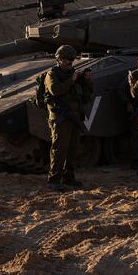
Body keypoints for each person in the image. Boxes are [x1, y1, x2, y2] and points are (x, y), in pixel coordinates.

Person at [45, 45, 93, 190]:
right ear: (59, 59)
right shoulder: (52, 74)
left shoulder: (73, 74)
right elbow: (55, 90)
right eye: (66, 59)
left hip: (74, 117)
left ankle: (68, 177)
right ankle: (54, 180)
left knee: (73, 149)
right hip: (61, 117)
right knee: (60, 149)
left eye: (72, 59)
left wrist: (86, 81)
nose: (69, 62)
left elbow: (85, 97)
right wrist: (71, 80)